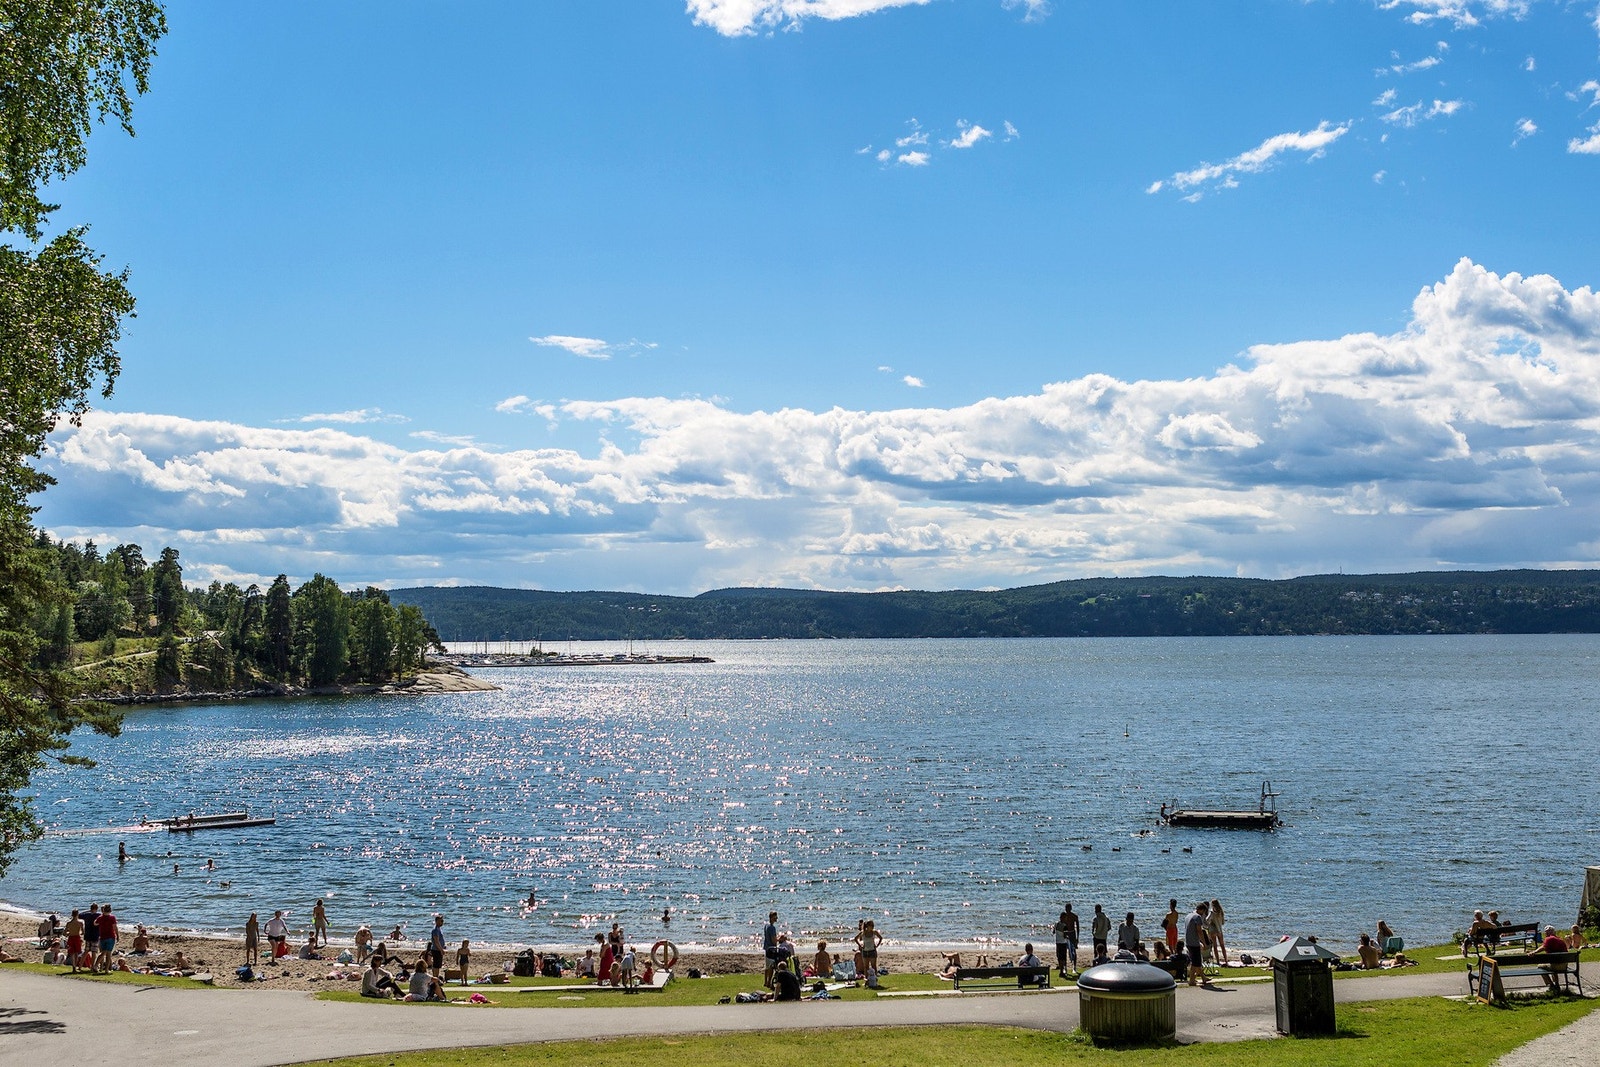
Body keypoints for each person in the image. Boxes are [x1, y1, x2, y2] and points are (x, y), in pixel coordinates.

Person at [1530, 926, 1570, 990]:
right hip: (1564, 965)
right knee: (1551, 964)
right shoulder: (1559, 939)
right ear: (1554, 932)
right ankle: (1556, 984)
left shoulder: (1549, 939)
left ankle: (1551, 985)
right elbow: (1544, 946)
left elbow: (1543, 947)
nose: (1546, 933)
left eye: (1547, 931)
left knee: (1540, 967)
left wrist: (1534, 952)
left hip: (1556, 966)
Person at [1185, 901, 1211, 986]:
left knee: (1195, 962)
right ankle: (1192, 980)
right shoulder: (1197, 917)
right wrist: (1204, 943)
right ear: (1202, 910)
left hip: (1188, 941)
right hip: (1194, 943)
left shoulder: (1188, 916)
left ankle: (1202, 978)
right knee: (1196, 962)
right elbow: (1199, 931)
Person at [855, 919, 884, 987]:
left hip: (872, 951)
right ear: (867, 926)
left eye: (872, 925)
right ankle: (866, 981)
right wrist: (860, 945)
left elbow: (880, 938)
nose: (872, 927)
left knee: (874, 966)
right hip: (865, 951)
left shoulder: (874, 932)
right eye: (871, 925)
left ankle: (875, 980)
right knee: (866, 967)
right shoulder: (863, 933)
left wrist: (877, 945)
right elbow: (855, 939)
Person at [96, 903, 118, 974]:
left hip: (102, 936)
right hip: (110, 936)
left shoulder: (100, 917)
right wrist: (117, 935)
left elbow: (95, 923)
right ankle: (106, 970)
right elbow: (115, 927)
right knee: (108, 954)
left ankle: (96, 965)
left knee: (102, 953)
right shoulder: (112, 917)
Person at [1052, 910, 1073, 977]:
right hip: (1063, 942)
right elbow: (1065, 935)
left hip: (1058, 942)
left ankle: (1061, 970)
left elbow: (1053, 932)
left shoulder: (1056, 924)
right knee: (1063, 958)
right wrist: (1068, 936)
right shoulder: (1065, 926)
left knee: (1059, 957)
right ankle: (1063, 970)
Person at [1061, 903, 1081, 972]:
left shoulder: (1074, 916)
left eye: (1068, 909)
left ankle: (1074, 966)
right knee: (1065, 951)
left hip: (1072, 934)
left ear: (1071, 909)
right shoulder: (1064, 916)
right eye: (1066, 909)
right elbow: (1062, 925)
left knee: (1074, 951)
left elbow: (1078, 927)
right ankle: (1065, 967)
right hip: (1066, 934)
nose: (1067, 911)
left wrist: (1077, 937)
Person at [1208, 899, 1229, 964]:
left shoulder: (1212, 912)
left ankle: (1218, 961)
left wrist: (1210, 922)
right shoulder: (1221, 912)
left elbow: (1207, 919)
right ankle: (1226, 960)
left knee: (1215, 946)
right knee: (1222, 946)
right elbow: (1223, 922)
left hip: (1213, 930)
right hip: (1219, 930)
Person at [762, 911, 779, 989]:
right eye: (775, 917)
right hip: (771, 949)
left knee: (767, 966)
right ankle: (769, 982)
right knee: (771, 966)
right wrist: (779, 939)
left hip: (766, 947)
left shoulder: (766, 926)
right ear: (772, 917)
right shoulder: (772, 927)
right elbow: (773, 940)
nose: (776, 918)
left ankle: (766, 981)